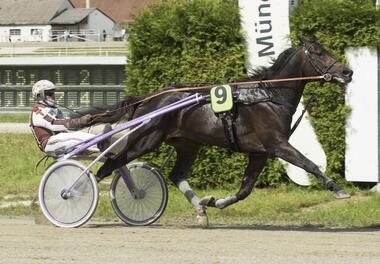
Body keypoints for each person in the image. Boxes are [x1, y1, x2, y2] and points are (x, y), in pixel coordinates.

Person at [29, 80, 99, 157]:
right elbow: (53, 124)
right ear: (40, 96)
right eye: (49, 94)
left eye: (53, 93)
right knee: (78, 137)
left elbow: (67, 125)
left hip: (59, 141)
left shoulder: (54, 109)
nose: (53, 96)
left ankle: (104, 144)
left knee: (82, 136)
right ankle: (102, 143)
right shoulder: (37, 111)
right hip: (50, 144)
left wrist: (87, 121)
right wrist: (79, 121)